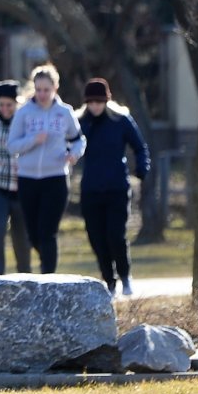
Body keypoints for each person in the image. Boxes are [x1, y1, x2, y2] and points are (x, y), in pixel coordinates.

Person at [77, 78, 150, 296]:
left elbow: (140, 147)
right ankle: (109, 280)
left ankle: (125, 276)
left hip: (117, 186)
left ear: (106, 101)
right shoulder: (80, 123)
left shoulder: (120, 120)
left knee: (115, 235)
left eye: (99, 102)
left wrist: (142, 168)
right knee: (96, 237)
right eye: (91, 102)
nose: (95, 106)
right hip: (90, 188)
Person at [11, 64, 86, 273]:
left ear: (55, 88)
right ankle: (46, 262)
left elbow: (79, 140)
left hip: (55, 178)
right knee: (33, 234)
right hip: (28, 179)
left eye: (46, 89)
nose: (42, 94)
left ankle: (48, 276)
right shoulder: (24, 113)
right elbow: (12, 145)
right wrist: (33, 140)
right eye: (38, 89)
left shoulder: (64, 113)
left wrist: (74, 154)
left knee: (48, 232)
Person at [0, 81, 34, 277]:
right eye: (1, 104)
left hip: (21, 187)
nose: (5, 109)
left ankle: (25, 277)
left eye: (9, 105)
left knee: (22, 238)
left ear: (16, 104)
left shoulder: (26, 124)